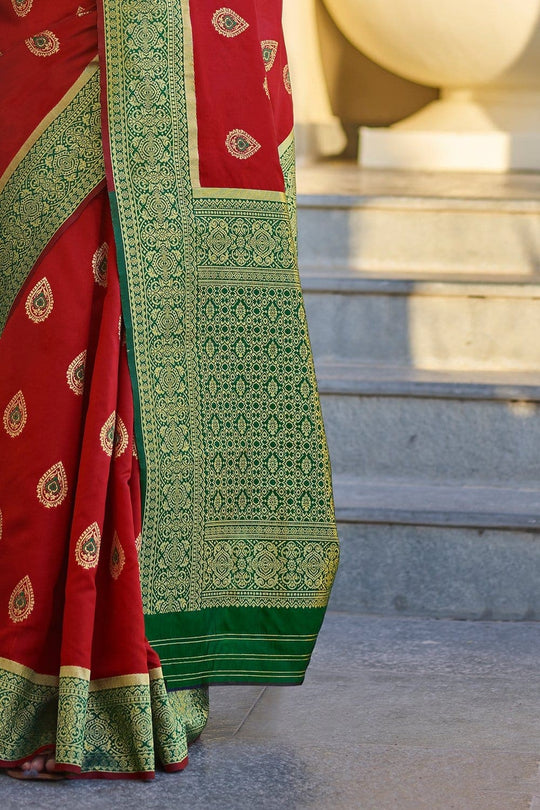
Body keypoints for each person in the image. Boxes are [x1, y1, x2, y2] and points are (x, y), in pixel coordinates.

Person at [0, 0, 339, 780]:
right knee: (40, 367)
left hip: (178, 50)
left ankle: (131, 681)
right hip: (54, 50)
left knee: (143, 348)